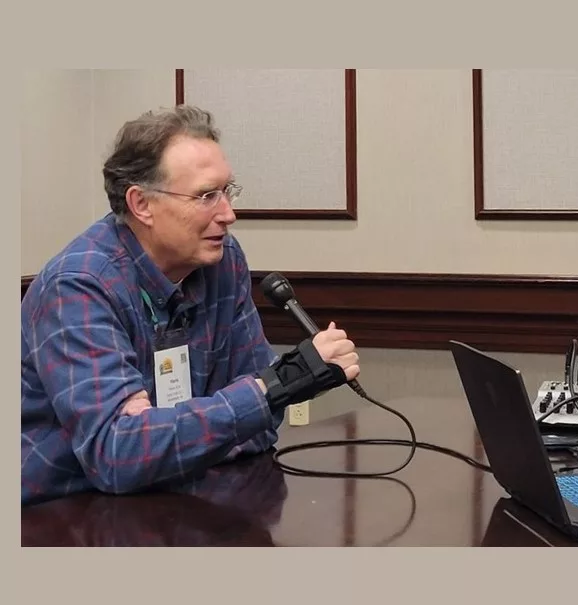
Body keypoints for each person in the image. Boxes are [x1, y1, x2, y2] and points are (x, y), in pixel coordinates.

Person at [21, 105, 360, 506]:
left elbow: (261, 427)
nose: (228, 214)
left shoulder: (223, 260)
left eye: (227, 191)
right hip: (64, 517)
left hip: (172, 499)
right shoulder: (78, 286)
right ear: (141, 204)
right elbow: (117, 457)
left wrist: (174, 437)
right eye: (205, 196)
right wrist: (261, 394)